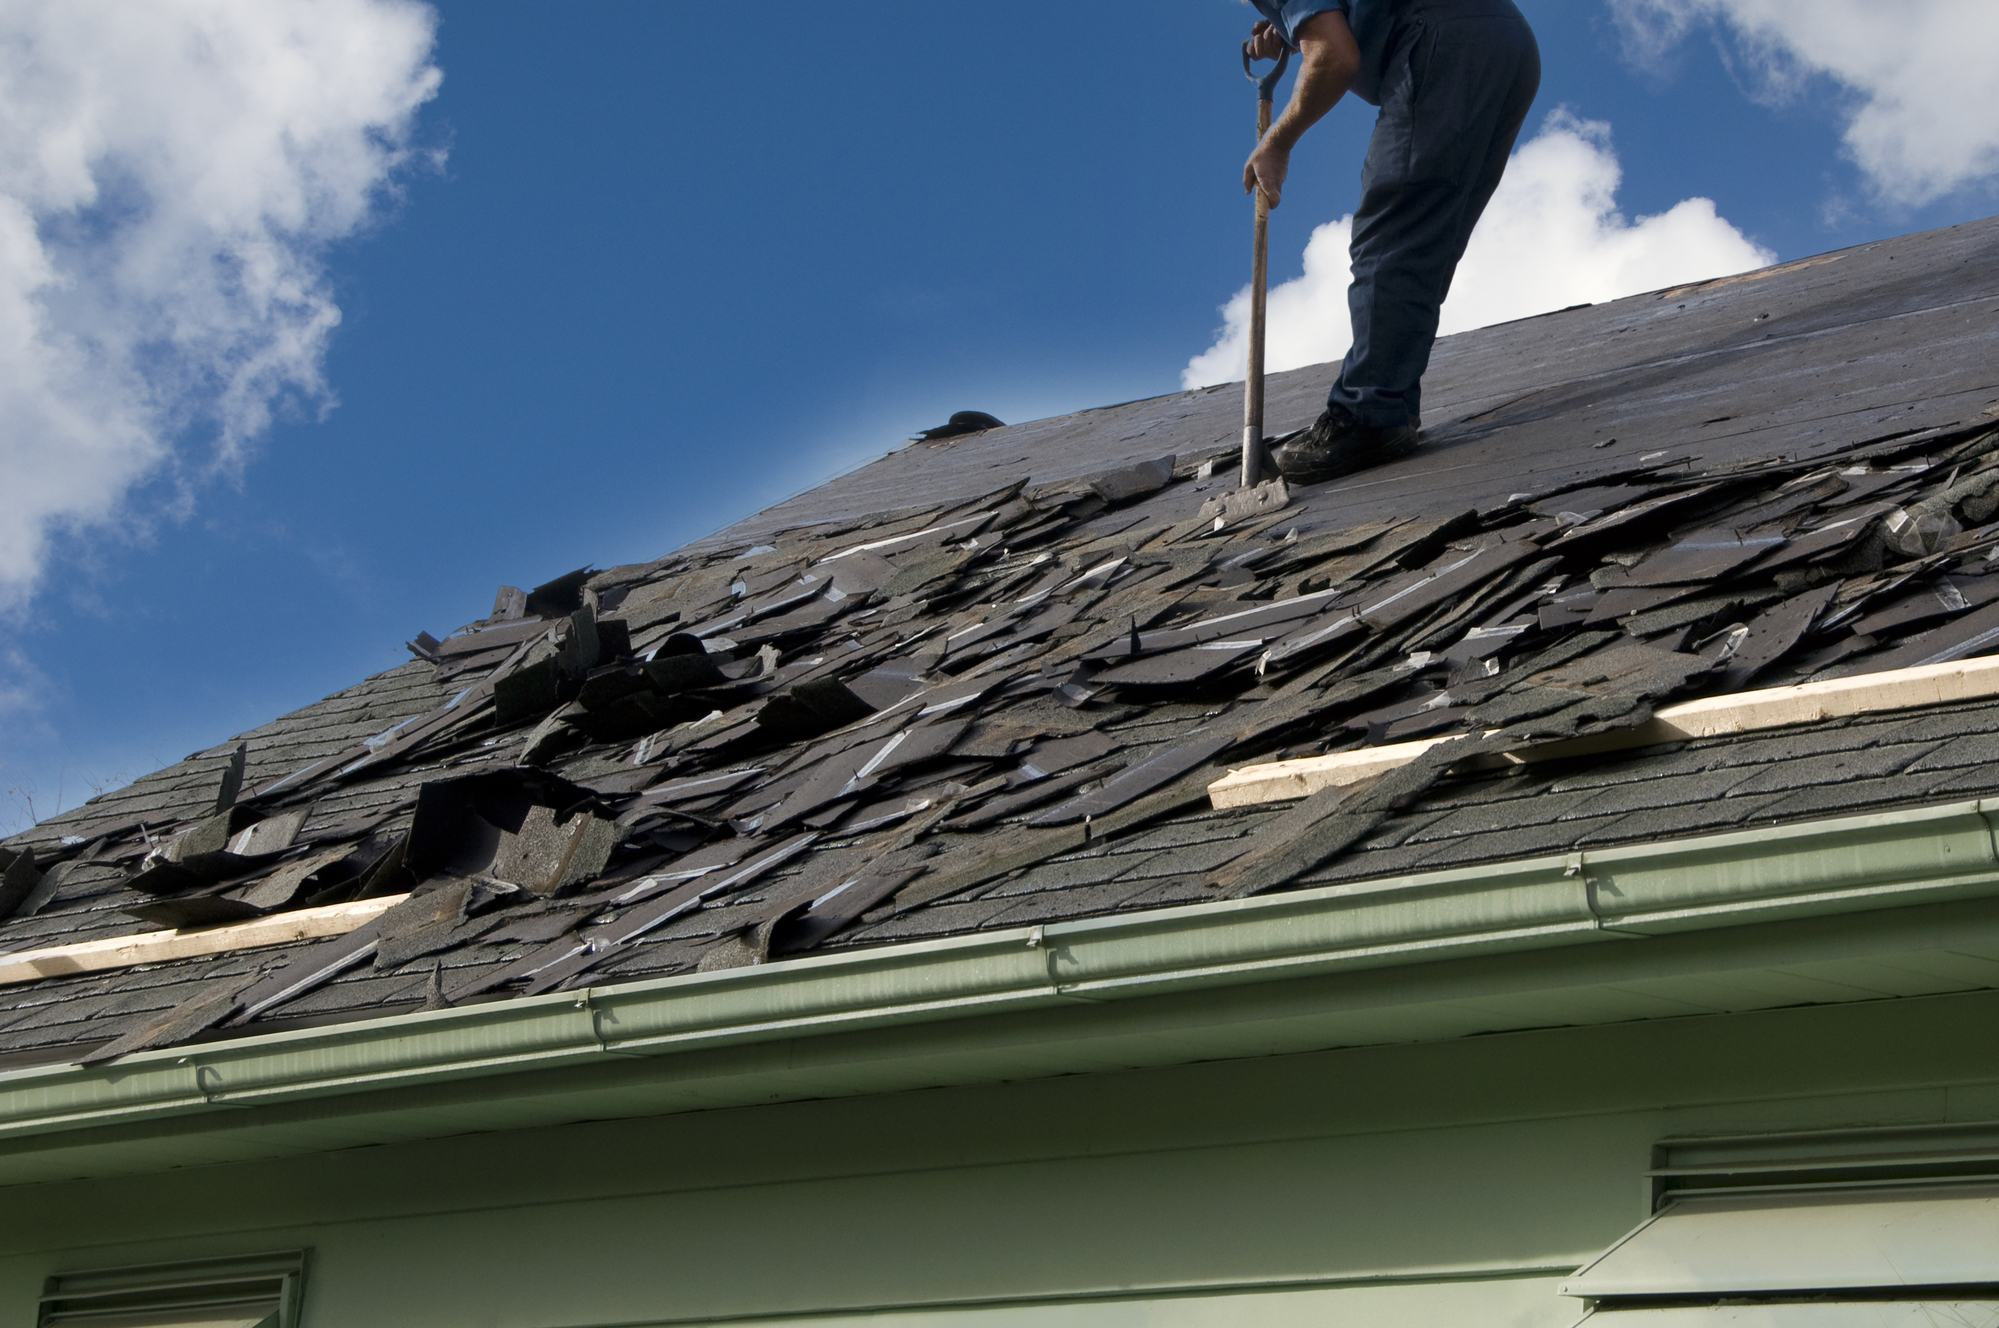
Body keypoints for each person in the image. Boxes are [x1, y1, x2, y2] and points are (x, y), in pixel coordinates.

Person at [1241, 0, 1540, 484]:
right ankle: (1388, 403)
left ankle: (1370, 413)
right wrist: (1291, 28)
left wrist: (1277, 141)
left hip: (1444, 45)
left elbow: (1335, 56)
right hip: (1506, 43)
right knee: (1424, 238)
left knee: (1392, 232)